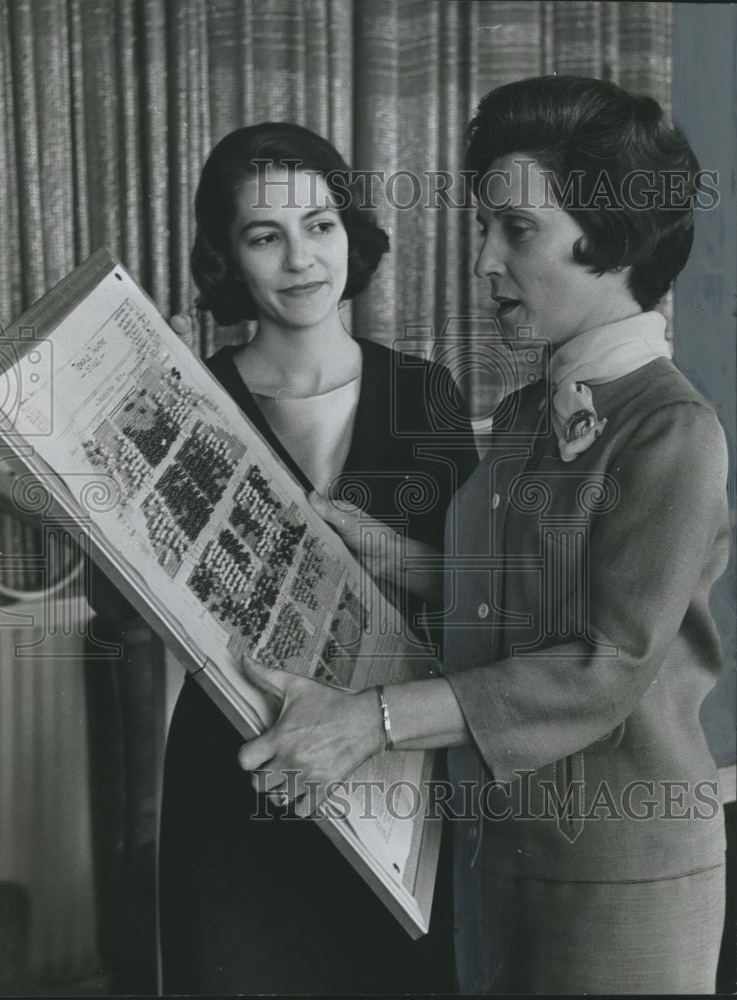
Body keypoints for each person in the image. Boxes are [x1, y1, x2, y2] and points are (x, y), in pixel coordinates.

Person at [238, 78, 730, 994]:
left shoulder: (672, 431)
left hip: (617, 875)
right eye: (484, 230)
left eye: (516, 231)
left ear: (610, 239)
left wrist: (371, 724)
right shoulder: (525, 414)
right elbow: (522, 597)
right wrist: (395, 559)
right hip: (494, 848)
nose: (483, 265)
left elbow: (604, 662)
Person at [157, 122, 478, 994]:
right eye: (266, 236)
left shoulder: (425, 393)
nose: (301, 259)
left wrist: (394, 556)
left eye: (321, 224)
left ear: (352, 233)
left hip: (397, 765)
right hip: (239, 766)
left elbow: (481, 606)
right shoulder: (189, 400)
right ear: (228, 257)